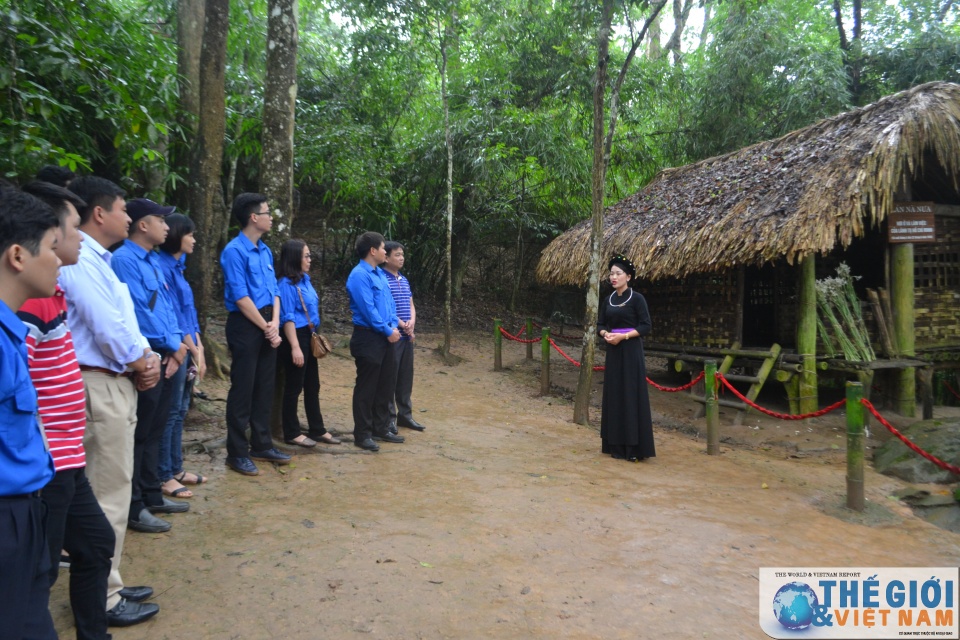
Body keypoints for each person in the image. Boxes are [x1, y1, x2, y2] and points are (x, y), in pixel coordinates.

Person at [61, 176, 161, 627]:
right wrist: (141, 361)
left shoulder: (99, 260)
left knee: (110, 489)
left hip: (115, 377)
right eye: (123, 209)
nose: (128, 217)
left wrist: (146, 356)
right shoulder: (79, 260)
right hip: (99, 382)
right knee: (108, 492)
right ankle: (102, 595)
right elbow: (105, 326)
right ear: (99, 213)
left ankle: (109, 581)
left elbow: (126, 320)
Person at [18, 181, 115, 640]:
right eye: (73, 231)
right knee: (39, 571)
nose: (79, 241)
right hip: (47, 462)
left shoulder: (53, 294)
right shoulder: (29, 305)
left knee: (96, 544)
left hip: (67, 457)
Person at [0, 185, 59, 640]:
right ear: (18, 256)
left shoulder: (11, 331)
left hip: (25, 513)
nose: (58, 261)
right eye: (52, 249)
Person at [111, 198, 191, 531]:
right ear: (143, 225)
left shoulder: (153, 261)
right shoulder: (124, 260)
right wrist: (173, 347)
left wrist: (178, 349)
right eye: (161, 220)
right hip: (147, 359)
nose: (166, 227)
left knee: (157, 428)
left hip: (168, 356)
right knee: (141, 432)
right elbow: (137, 312)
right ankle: (134, 507)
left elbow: (167, 309)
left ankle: (151, 493)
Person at [220, 193, 291, 475]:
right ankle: (236, 452)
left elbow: (274, 290)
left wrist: (274, 322)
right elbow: (240, 296)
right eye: (266, 212)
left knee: (264, 386)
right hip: (245, 325)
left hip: (267, 324)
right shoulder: (234, 251)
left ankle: (261, 444)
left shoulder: (265, 250)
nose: (270, 216)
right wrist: (266, 327)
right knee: (243, 389)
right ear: (253, 217)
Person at [157, 214, 207, 498]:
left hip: (188, 347)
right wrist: (193, 349)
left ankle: (176, 467)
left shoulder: (178, 268)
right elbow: (174, 316)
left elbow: (190, 314)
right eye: (190, 234)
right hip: (176, 349)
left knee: (180, 410)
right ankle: (165, 474)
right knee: (171, 411)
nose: (194, 239)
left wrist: (198, 348)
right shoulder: (163, 267)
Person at [277, 239, 341, 448]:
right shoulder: (286, 285)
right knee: (294, 386)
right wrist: (295, 346)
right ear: (295, 258)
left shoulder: (305, 280)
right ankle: (291, 432)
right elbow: (287, 318)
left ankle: (317, 428)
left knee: (312, 385)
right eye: (306, 256)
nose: (309, 259)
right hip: (295, 337)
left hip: (310, 334)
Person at [346, 231, 404, 452]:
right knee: (367, 387)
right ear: (372, 251)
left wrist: (393, 326)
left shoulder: (379, 274)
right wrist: (386, 329)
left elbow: (388, 305)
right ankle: (362, 434)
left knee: (385, 385)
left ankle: (381, 428)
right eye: (382, 248)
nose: (384, 251)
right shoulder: (359, 275)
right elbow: (368, 309)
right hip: (368, 337)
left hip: (386, 336)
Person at [597, 254, 655, 462]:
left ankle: (633, 448)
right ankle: (615, 445)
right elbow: (600, 325)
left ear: (628, 277)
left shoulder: (637, 299)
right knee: (614, 394)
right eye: (611, 274)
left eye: (618, 274)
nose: (613, 277)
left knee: (630, 394)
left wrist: (624, 336)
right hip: (613, 351)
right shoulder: (608, 300)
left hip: (631, 351)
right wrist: (606, 335)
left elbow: (646, 325)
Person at [383, 241, 425, 433]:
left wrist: (412, 323)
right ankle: (389, 418)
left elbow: (411, 304)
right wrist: (402, 324)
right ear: (386, 257)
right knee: (390, 378)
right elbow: (386, 308)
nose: (401, 258)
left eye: (402, 255)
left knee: (405, 377)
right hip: (393, 335)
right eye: (397, 255)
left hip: (408, 335)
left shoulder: (404, 279)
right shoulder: (382, 279)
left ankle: (405, 415)